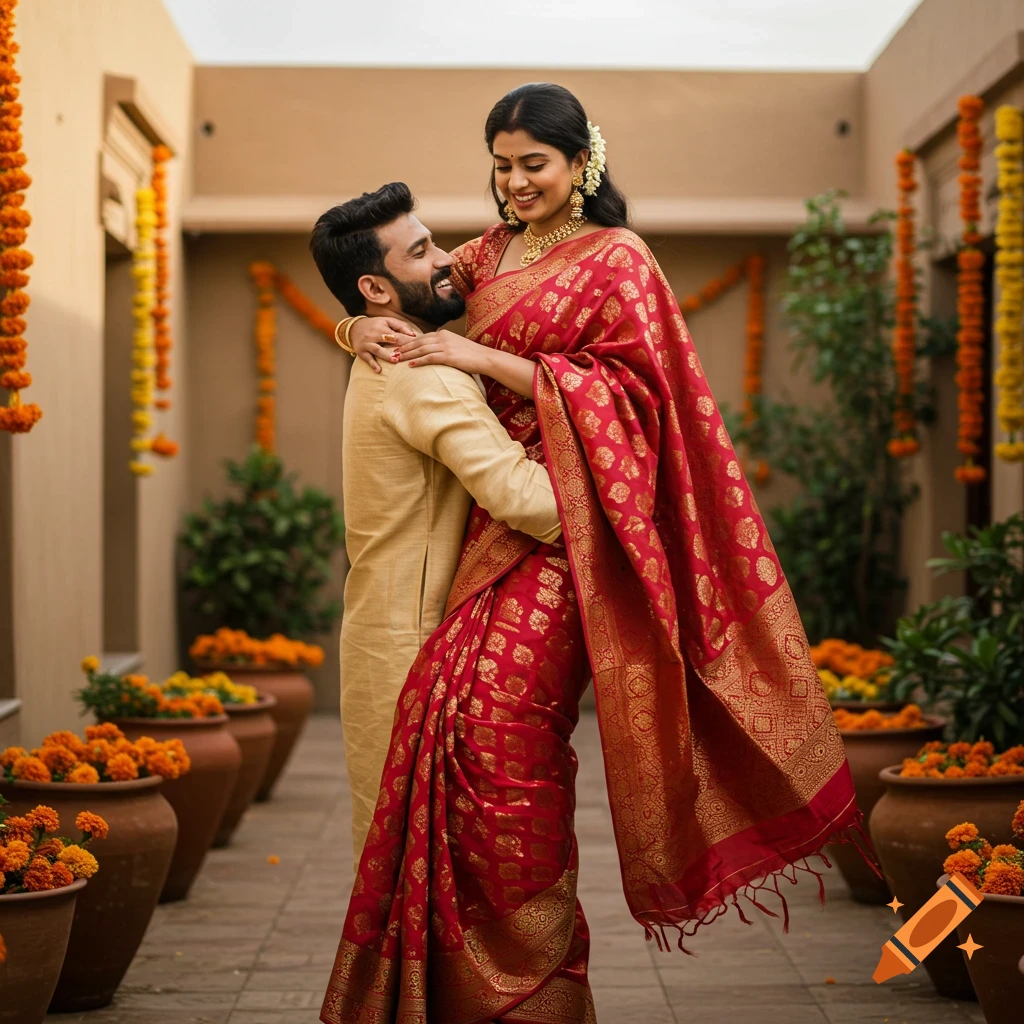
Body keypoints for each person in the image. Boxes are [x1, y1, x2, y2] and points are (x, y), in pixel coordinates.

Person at [322, 83, 873, 1024]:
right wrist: (353, 325)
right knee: (471, 755)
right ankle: (471, 989)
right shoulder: (486, 254)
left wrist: (488, 364)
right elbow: (396, 294)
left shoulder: (620, 261)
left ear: (583, 161)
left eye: (533, 162)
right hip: (488, 527)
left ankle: (527, 986)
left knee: (499, 749)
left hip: (570, 529)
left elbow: (641, 401)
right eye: (501, 164)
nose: (513, 181)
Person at [308, 183, 563, 865]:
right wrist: (628, 500)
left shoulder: (381, 352)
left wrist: (351, 325)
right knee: (429, 865)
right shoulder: (425, 371)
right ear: (376, 287)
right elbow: (525, 499)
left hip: (378, 635)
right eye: (420, 252)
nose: (446, 259)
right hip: (414, 649)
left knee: (392, 857)